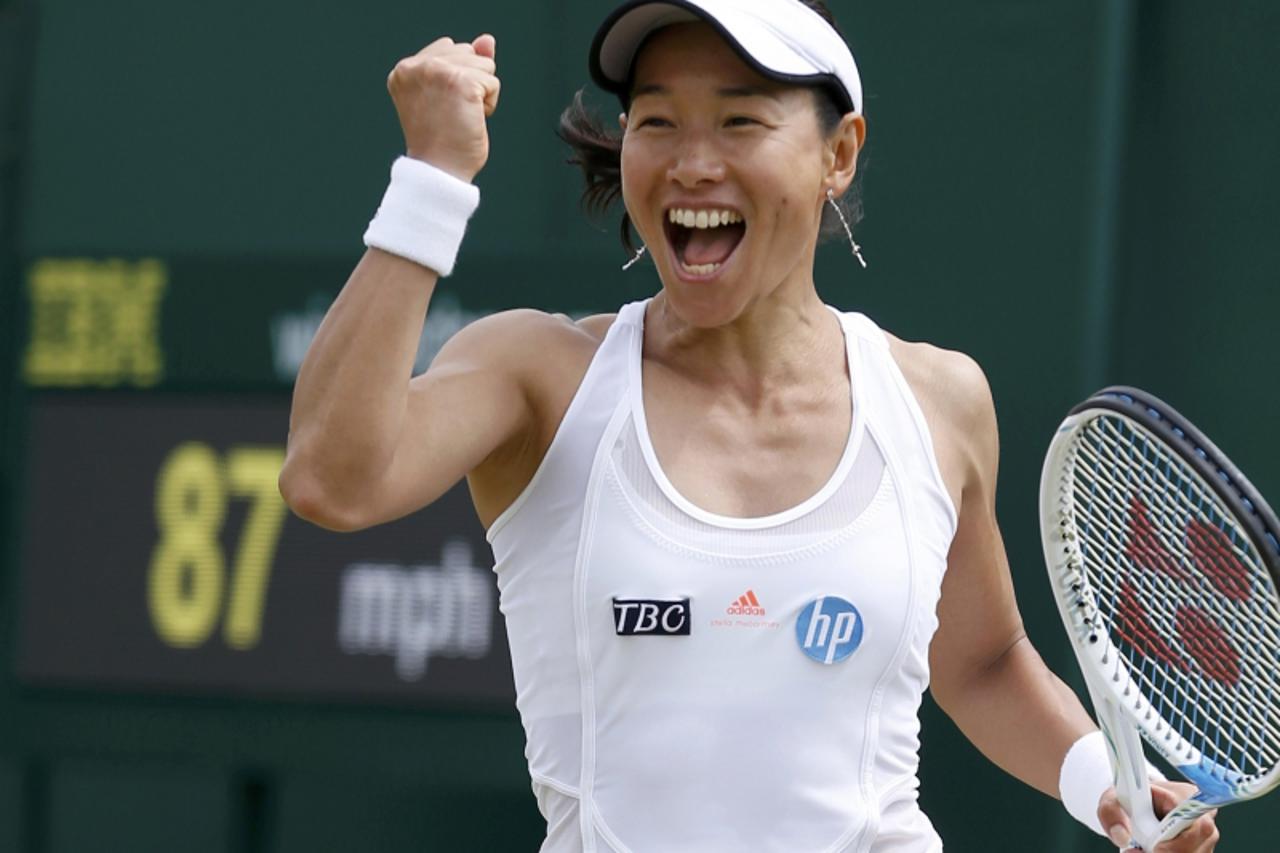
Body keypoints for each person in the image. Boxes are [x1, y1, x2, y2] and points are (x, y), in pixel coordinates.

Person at [279, 0, 1223, 849]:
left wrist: (1108, 784)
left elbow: (980, 661)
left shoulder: (939, 397)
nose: (693, 161)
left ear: (838, 153)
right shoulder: (540, 374)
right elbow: (330, 476)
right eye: (656, 120)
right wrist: (433, 178)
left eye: (739, 119)